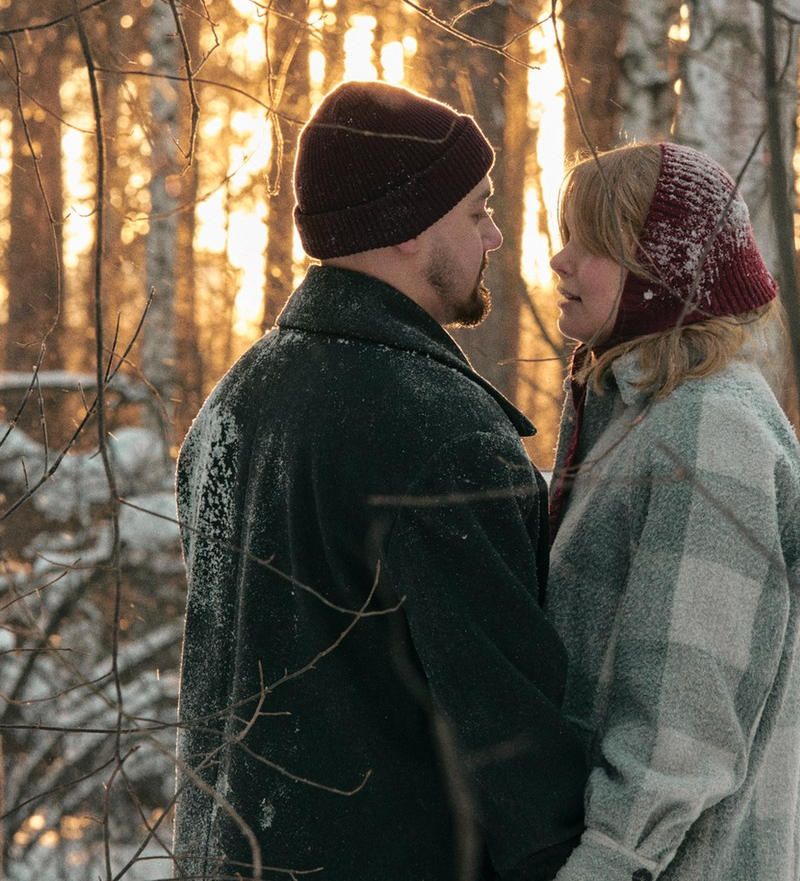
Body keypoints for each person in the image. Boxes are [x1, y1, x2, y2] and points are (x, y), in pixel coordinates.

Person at [173, 81, 587, 881]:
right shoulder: (442, 432)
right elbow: (514, 748)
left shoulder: (234, 400)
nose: (495, 236)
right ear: (406, 226)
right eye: (476, 212)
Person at [545, 141, 800, 880]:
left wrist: (601, 866)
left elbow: (682, 730)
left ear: (658, 274)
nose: (559, 261)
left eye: (587, 243)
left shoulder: (710, 432)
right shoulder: (639, 415)